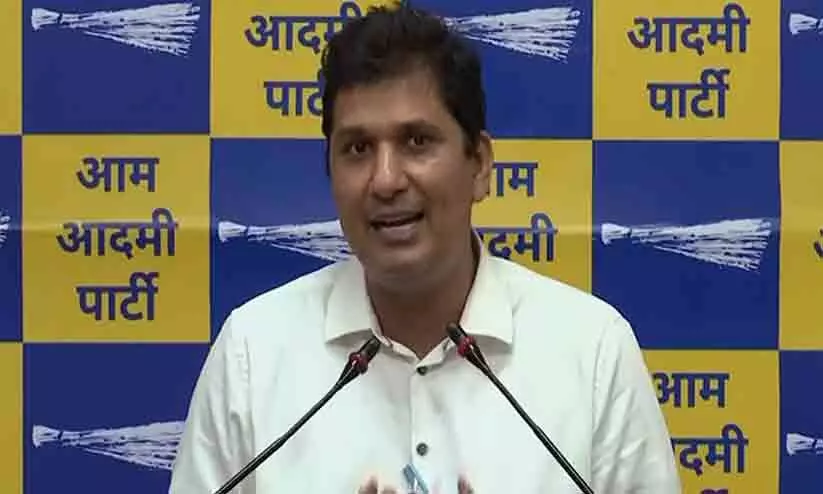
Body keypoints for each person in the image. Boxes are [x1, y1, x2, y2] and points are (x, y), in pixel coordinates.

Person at [169, 3, 682, 493]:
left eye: (416, 142)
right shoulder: (253, 354)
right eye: (357, 149)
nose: (386, 180)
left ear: (479, 164)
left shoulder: (592, 352)